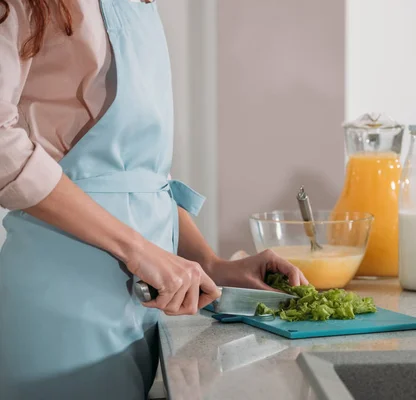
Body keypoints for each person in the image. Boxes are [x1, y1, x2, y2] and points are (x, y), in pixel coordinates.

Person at [0, 1, 308, 398]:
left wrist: (209, 262)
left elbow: (141, 177)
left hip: (143, 306)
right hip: (60, 299)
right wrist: (139, 250)